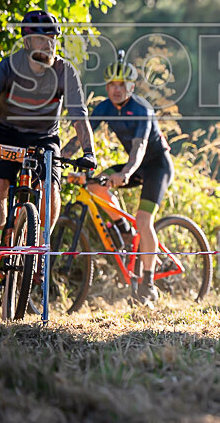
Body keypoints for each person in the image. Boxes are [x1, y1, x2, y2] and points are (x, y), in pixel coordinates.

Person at [0, 9, 97, 285]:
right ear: (27, 42)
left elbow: (78, 116)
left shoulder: (64, 71)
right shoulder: (9, 66)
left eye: (52, 37)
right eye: (41, 38)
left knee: (50, 189)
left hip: (44, 138)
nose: (49, 43)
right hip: (7, 133)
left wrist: (89, 152)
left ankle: (37, 249)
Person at [63, 51, 174, 305]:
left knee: (144, 220)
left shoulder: (141, 109)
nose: (116, 90)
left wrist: (126, 173)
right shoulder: (104, 107)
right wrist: (60, 157)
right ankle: (125, 231)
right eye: (112, 85)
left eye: (121, 85)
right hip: (132, 166)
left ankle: (148, 283)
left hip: (156, 165)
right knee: (93, 186)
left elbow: (140, 148)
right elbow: (82, 136)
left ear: (131, 87)